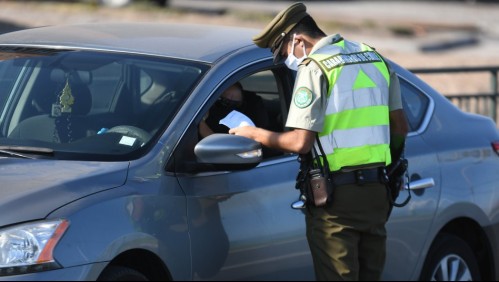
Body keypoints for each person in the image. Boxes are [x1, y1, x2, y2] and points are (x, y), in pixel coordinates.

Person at [229, 2, 409, 281]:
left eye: (284, 52)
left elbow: (301, 142)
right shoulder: (373, 57)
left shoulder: (315, 68)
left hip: (337, 201)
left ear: (298, 40)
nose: (287, 60)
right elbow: (400, 127)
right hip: (377, 192)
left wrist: (253, 134)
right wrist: (391, 165)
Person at [199, 82, 270, 138]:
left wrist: (200, 122)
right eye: (222, 99)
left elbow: (217, 144)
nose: (228, 98)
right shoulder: (210, 110)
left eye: (231, 102)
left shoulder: (245, 123)